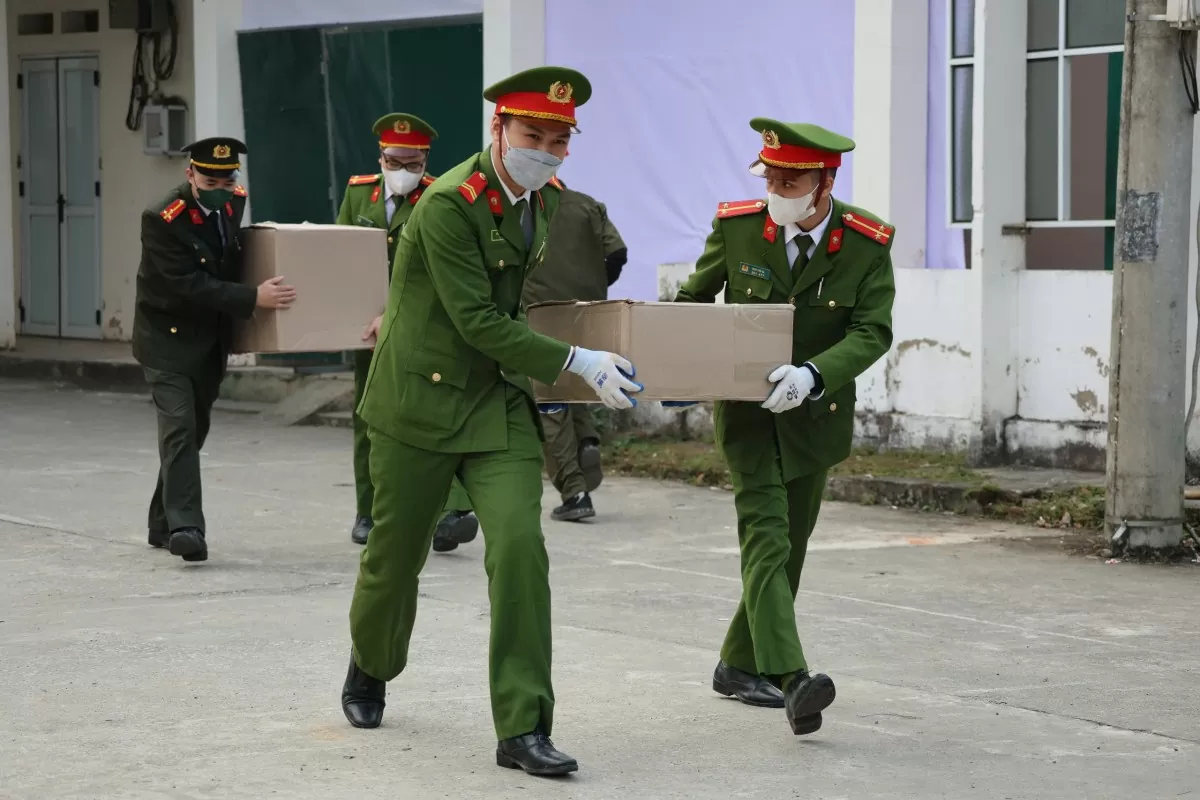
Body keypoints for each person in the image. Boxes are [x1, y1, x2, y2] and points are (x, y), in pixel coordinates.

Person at [339, 66, 642, 777]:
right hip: (418, 399)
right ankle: (370, 663)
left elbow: (521, 310)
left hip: (496, 401)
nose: (547, 149)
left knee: (519, 551)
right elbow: (476, 318)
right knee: (395, 557)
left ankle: (523, 726)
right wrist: (576, 360)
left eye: (559, 139)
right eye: (533, 134)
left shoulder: (539, 202)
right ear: (498, 130)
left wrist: (604, 357)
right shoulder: (449, 204)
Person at [672, 119, 895, 736]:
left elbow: (872, 331)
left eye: (790, 179)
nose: (776, 189)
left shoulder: (865, 243)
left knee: (790, 547)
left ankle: (736, 665)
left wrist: (815, 375)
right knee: (767, 539)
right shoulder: (739, 229)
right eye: (768, 176)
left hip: (814, 418)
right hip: (746, 417)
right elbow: (693, 301)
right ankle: (792, 677)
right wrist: (675, 362)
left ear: (825, 183)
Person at [133, 137, 296, 563]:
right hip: (166, 338)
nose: (222, 186)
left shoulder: (232, 202)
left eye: (228, 178)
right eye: (211, 179)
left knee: (193, 431)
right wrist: (251, 299)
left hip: (209, 339)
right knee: (180, 427)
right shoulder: (162, 218)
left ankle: (160, 521)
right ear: (190, 174)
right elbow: (185, 284)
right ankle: (187, 528)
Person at [335, 113, 480, 550]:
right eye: (395, 161)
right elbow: (340, 255)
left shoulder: (441, 198)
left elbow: (441, 270)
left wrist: (397, 313)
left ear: (425, 160)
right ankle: (369, 510)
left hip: (421, 326)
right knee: (369, 420)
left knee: (434, 416)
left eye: (413, 163)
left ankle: (449, 512)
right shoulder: (359, 194)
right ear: (381, 157)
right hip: (367, 330)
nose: (404, 171)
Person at [524, 184, 628, 522]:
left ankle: (574, 492)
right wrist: (593, 284)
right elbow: (617, 253)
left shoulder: (521, 206)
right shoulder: (588, 205)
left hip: (540, 312)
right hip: (587, 311)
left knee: (550, 402)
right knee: (583, 382)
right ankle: (588, 441)